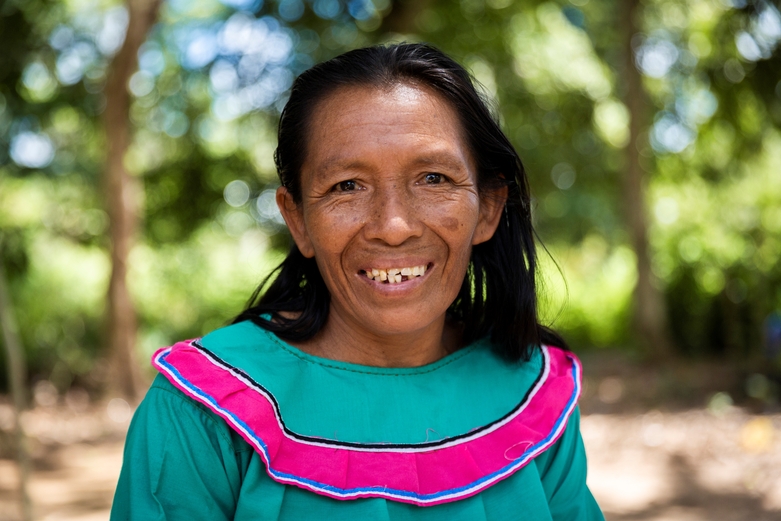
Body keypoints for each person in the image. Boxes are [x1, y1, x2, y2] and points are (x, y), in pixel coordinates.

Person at [111, 43, 604, 520]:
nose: (393, 226)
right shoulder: (206, 409)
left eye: (433, 178)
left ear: (489, 208)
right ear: (298, 219)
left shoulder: (534, 396)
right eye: (347, 186)